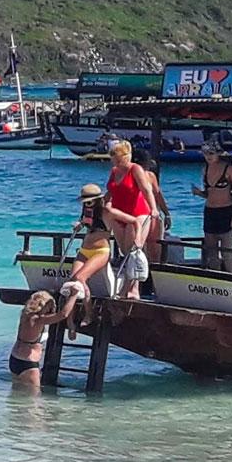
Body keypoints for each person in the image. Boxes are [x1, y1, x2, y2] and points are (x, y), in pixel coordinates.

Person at [59, 184, 114, 337]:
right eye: (85, 201)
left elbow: (120, 220)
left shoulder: (105, 212)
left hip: (101, 251)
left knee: (80, 278)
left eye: (90, 201)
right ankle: (70, 323)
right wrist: (79, 225)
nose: (87, 203)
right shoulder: (86, 211)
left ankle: (89, 313)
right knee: (71, 282)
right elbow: (86, 224)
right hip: (85, 250)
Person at [104, 138, 153, 298]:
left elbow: (147, 190)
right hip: (119, 214)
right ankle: (129, 287)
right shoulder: (114, 171)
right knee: (125, 252)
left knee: (133, 250)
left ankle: (132, 288)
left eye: (116, 155)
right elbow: (110, 192)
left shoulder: (135, 169)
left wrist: (154, 209)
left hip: (137, 213)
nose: (113, 159)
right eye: (112, 155)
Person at [191, 142, 232, 273]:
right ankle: (215, 282)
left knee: (227, 252)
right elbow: (209, 194)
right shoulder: (205, 169)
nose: (208, 156)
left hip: (227, 211)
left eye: (211, 153)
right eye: (205, 154)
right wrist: (198, 193)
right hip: (210, 211)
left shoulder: (229, 169)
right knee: (212, 252)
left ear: (218, 154)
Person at [9, 290, 65, 388]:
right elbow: (63, 315)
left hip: (15, 358)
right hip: (28, 363)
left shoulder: (26, 315)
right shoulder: (39, 319)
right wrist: (73, 296)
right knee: (34, 398)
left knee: (16, 393)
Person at [132, 147, 170, 264]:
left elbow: (158, 195)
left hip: (151, 215)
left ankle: (152, 276)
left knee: (154, 249)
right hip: (137, 216)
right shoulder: (128, 176)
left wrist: (166, 214)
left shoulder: (150, 176)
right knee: (137, 249)